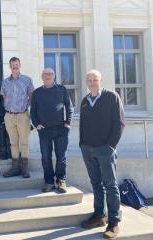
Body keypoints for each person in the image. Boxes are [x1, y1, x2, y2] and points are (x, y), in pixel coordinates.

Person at [79, 69, 125, 239]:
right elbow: (83, 124)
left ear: (101, 80)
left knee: (110, 185)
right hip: (88, 149)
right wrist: (82, 143)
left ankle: (114, 222)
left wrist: (111, 146)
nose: (92, 82)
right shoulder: (85, 101)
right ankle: (99, 215)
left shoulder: (112, 97)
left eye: (95, 79)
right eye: (89, 80)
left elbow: (120, 123)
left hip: (105, 149)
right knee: (96, 184)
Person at [30, 67, 73, 193]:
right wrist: (36, 124)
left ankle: (61, 180)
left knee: (61, 157)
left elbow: (69, 107)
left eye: (50, 74)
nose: (47, 76)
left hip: (61, 129)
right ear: (41, 77)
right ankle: (49, 181)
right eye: (45, 74)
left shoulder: (62, 89)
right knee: (45, 157)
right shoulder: (37, 93)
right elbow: (33, 111)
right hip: (44, 131)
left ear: (54, 76)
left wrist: (68, 123)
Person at [0, 57, 34, 178]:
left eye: (16, 64)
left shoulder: (27, 80)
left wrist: (30, 113)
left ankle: (24, 168)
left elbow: (31, 97)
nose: (15, 66)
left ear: (20, 65)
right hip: (9, 116)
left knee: (24, 142)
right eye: (12, 64)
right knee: (13, 143)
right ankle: (15, 168)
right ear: (10, 66)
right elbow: (4, 98)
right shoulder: (5, 82)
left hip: (23, 115)